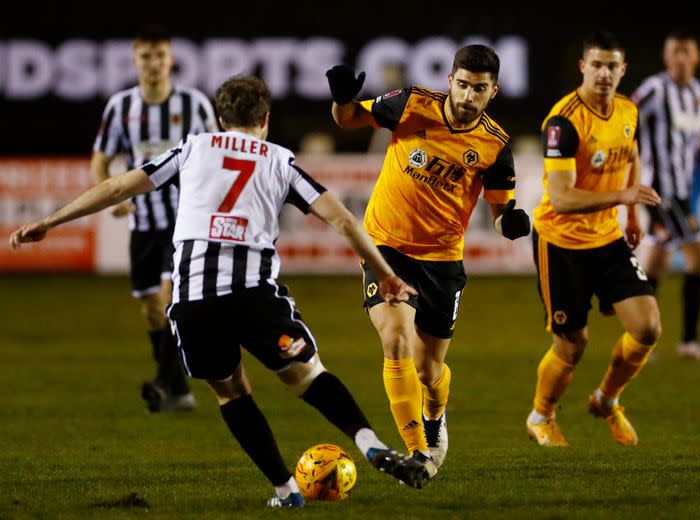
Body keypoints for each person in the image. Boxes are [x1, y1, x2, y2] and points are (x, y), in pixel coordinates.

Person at [10, 74, 431, 508]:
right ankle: (369, 443)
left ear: (218, 118)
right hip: (253, 295)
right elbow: (343, 220)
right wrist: (385, 273)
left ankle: (286, 491)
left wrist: (51, 222)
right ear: (266, 119)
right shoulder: (279, 160)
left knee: (231, 391)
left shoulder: (193, 149)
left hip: (193, 301)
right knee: (305, 375)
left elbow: (117, 186)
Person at [325, 44, 531, 475]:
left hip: (441, 260)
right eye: (462, 84)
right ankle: (418, 451)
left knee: (429, 368)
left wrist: (509, 222)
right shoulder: (411, 105)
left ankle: (436, 418)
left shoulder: (494, 147)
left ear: (493, 91)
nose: (468, 96)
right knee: (395, 337)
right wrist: (342, 98)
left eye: (479, 89)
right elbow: (348, 120)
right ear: (450, 79)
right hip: (384, 246)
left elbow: (498, 214)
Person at [525, 32, 663, 448]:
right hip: (561, 242)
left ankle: (606, 399)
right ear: (583, 67)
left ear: (623, 70)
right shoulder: (563, 121)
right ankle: (541, 416)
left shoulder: (627, 110)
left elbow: (631, 154)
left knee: (647, 328)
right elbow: (563, 198)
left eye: (612, 66)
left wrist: (633, 213)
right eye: (596, 65)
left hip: (607, 237)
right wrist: (622, 197)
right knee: (573, 345)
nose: (604, 73)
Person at [91, 25, 218, 412]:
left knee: (167, 299)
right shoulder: (120, 107)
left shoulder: (194, 104)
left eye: (160, 55)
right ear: (135, 60)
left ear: (171, 59)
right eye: (146, 56)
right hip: (142, 224)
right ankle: (176, 388)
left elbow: (215, 153)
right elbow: (101, 159)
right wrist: (111, 194)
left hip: (184, 222)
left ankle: (164, 384)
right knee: (150, 307)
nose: (154, 63)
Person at [632, 30, 700, 361]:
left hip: (683, 189)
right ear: (666, 57)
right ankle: (688, 341)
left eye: (687, 51)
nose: (681, 57)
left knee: (655, 264)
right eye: (675, 51)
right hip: (660, 191)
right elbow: (625, 119)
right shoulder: (655, 89)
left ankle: (640, 343)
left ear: (697, 57)